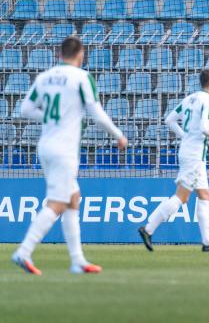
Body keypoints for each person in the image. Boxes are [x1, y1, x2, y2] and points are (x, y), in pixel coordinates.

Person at [12, 37, 128, 275]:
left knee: (73, 198)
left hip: (46, 146)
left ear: (60, 54)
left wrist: (50, 118)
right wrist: (118, 135)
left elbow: (25, 110)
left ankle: (78, 261)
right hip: (64, 149)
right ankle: (24, 251)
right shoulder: (81, 78)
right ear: (81, 55)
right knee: (58, 202)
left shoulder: (44, 77)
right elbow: (96, 112)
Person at [139, 69, 209, 252]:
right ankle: (148, 229)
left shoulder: (190, 98)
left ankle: (208, 242)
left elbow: (169, 120)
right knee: (182, 197)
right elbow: (205, 127)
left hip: (190, 152)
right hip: (194, 154)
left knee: (205, 195)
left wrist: (184, 136)